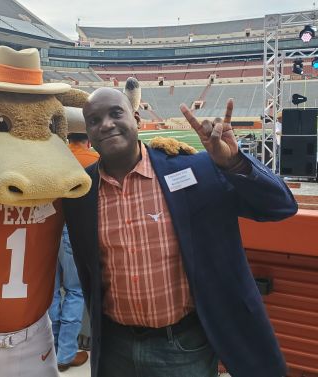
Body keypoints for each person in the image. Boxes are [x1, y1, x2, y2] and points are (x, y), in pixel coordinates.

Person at [62, 87, 297, 377]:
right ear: (88, 130)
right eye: (94, 120)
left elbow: (280, 206)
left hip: (183, 348)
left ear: (135, 117)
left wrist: (233, 162)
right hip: (114, 348)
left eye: (115, 113)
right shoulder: (80, 191)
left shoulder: (195, 169)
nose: (106, 124)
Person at [49, 133, 98, 371]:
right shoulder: (95, 159)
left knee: (52, 292)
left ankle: (54, 347)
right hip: (73, 230)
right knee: (75, 291)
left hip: (48, 228)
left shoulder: (55, 156)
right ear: (88, 140)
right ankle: (65, 353)